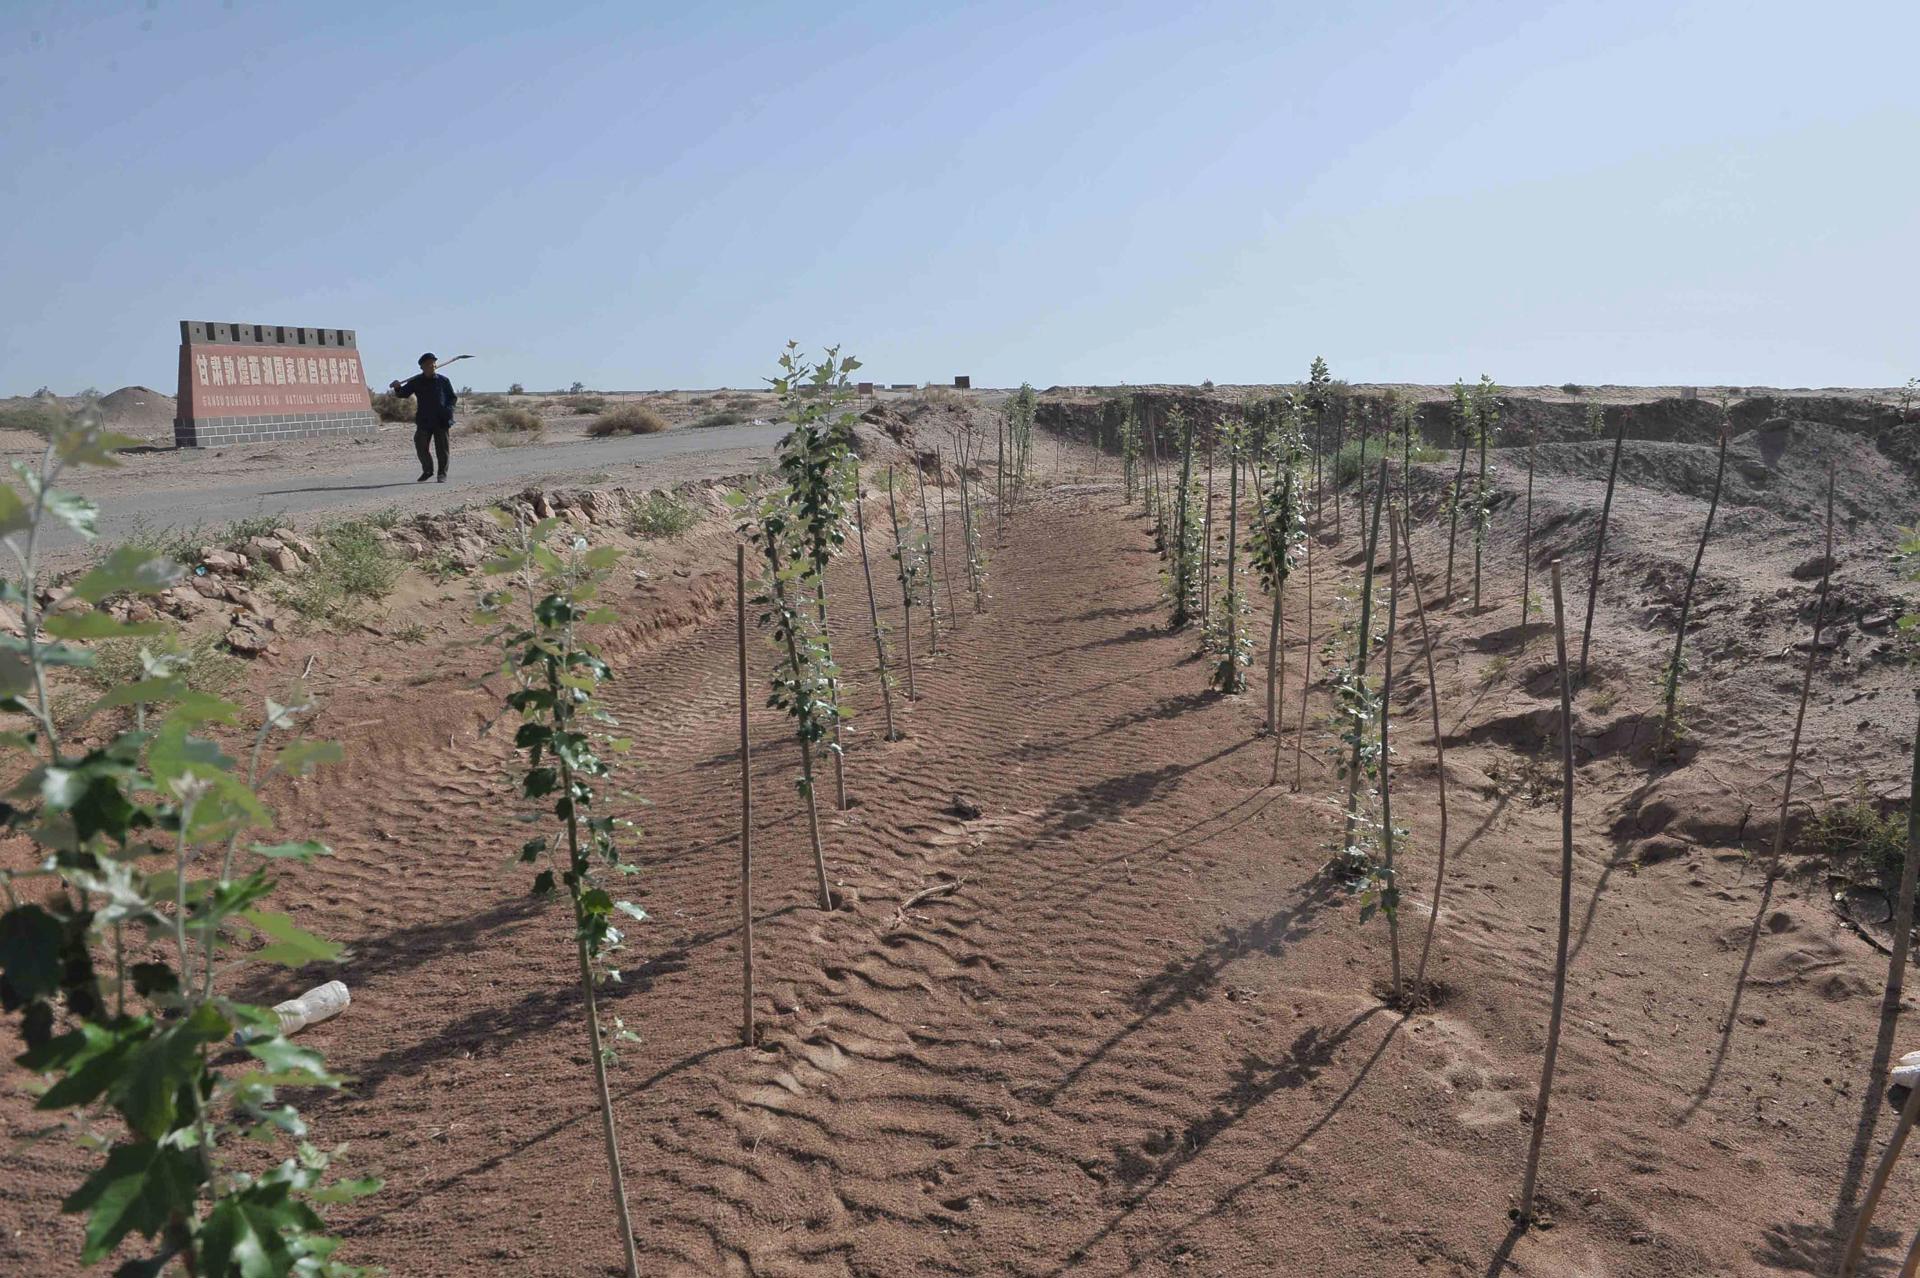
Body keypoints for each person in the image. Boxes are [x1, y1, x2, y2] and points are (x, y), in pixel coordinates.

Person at [388, 353, 458, 482]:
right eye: (428, 364)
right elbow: (403, 394)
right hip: (424, 419)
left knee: (442, 449)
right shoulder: (416, 381)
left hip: (441, 419)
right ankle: (427, 470)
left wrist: (449, 410)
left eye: (433, 363)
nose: (431, 366)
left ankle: (442, 474)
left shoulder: (443, 381)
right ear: (422, 367)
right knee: (420, 445)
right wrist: (398, 388)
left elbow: (452, 398)